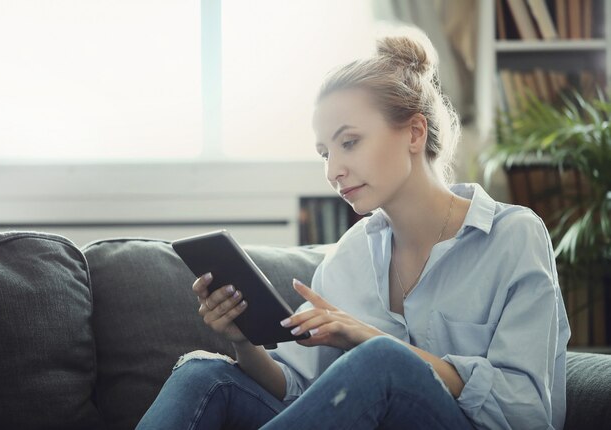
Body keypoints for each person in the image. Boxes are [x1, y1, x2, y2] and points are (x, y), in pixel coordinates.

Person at [136, 25, 570, 430]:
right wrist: (243, 340)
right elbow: (299, 387)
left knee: (381, 358)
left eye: (349, 142)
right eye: (325, 153)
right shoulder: (350, 255)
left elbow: (526, 410)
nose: (333, 171)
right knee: (202, 373)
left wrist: (370, 339)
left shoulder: (512, 237)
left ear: (414, 133)